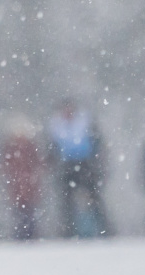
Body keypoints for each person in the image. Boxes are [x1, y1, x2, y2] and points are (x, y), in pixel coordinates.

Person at [46, 99, 109, 238]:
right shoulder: (56, 125)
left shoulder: (85, 122)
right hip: (66, 164)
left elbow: (97, 142)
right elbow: (53, 146)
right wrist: (52, 162)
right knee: (66, 201)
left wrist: (97, 162)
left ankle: (105, 230)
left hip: (85, 163)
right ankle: (68, 232)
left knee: (94, 198)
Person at [0, 119, 44, 241]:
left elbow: (36, 163)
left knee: (28, 211)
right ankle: (22, 234)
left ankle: (28, 235)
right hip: (19, 185)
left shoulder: (28, 146)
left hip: (26, 184)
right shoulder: (12, 147)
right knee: (19, 211)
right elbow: (6, 165)